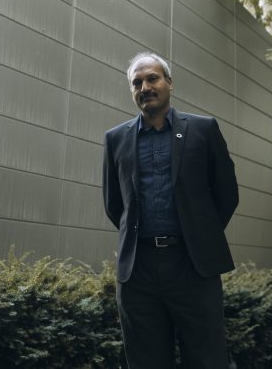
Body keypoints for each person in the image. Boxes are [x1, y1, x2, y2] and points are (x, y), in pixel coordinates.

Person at [102, 52, 239, 369]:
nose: (145, 87)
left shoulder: (204, 130)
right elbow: (114, 205)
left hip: (193, 266)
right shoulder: (115, 139)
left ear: (169, 83)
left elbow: (226, 194)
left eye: (152, 78)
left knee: (208, 360)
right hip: (138, 272)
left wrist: (198, 234)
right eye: (137, 82)